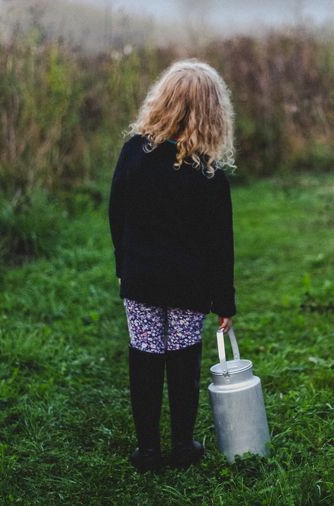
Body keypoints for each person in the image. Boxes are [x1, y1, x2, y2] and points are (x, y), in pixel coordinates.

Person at [108, 59, 237, 473]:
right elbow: (221, 246)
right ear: (213, 114)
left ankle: (147, 451)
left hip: (141, 278)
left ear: (161, 102)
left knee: (144, 357)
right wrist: (225, 302)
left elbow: (116, 213)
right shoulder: (211, 176)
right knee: (183, 360)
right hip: (188, 286)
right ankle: (183, 445)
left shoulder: (133, 154)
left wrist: (123, 264)